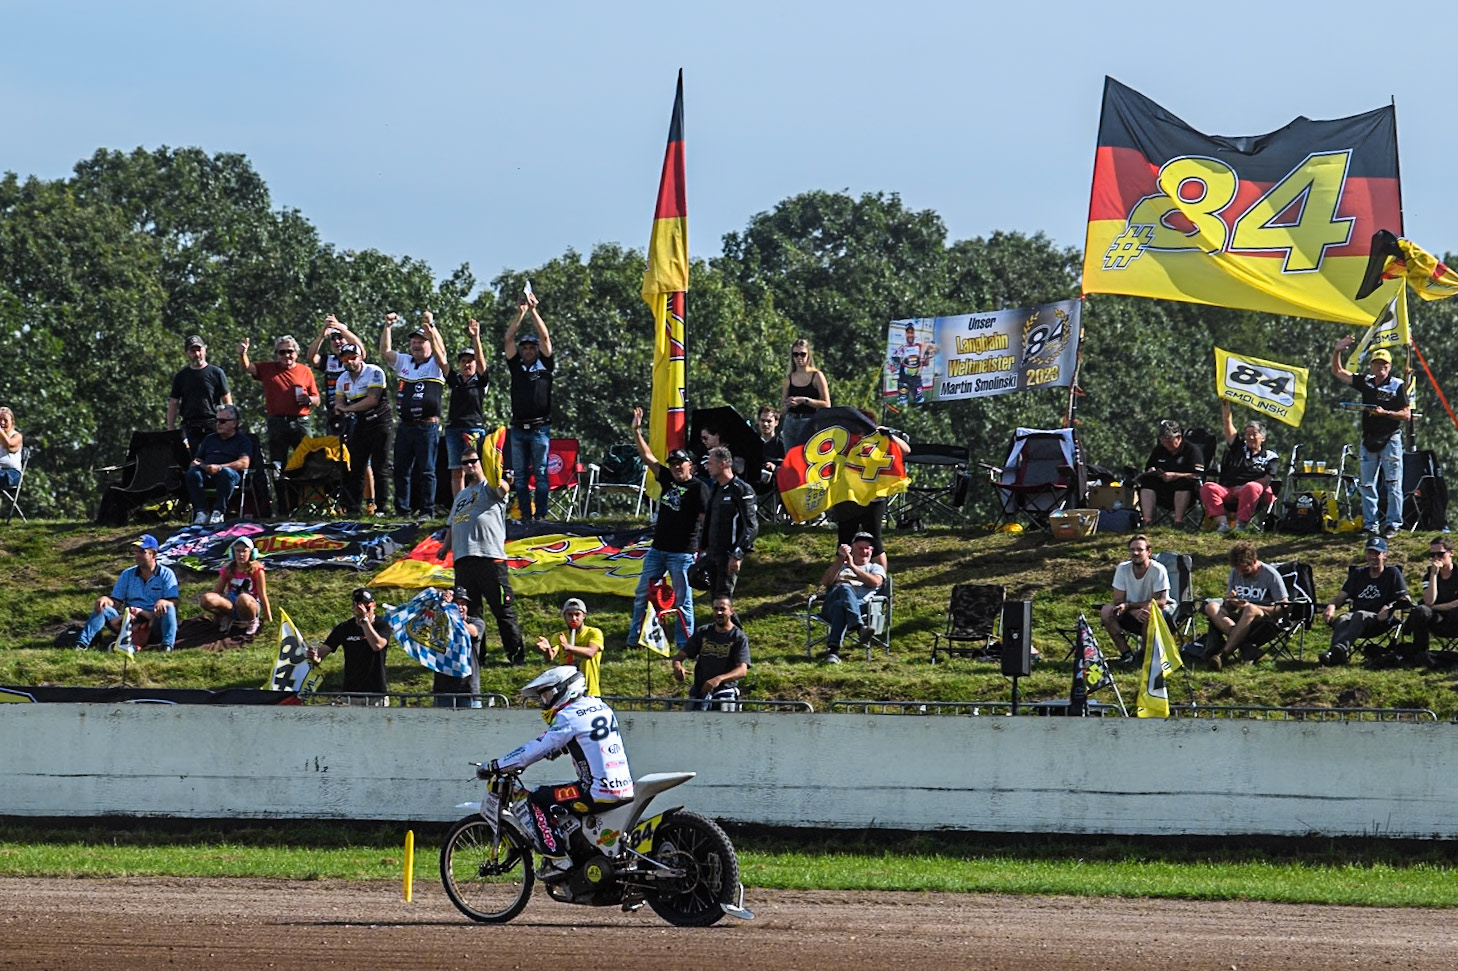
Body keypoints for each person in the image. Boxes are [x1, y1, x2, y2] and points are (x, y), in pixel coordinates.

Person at [482, 665, 633, 867]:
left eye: (548, 694)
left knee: (537, 798)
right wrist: (558, 750)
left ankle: (557, 860)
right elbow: (588, 741)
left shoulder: (569, 716)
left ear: (566, 689)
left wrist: (497, 765)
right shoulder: (601, 706)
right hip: (624, 786)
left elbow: (532, 750)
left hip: (595, 790)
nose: (546, 702)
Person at [627, 407, 709, 651]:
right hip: (658, 549)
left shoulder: (698, 488)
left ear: (690, 465)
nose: (675, 467)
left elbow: (705, 519)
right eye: (672, 463)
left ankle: (685, 644)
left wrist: (703, 552)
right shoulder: (668, 479)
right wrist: (636, 431)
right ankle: (636, 640)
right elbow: (648, 457)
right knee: (643, 594)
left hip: (682, 552)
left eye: (680, 463)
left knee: (683, 600)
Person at [438, 446, 527, 665]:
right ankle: (478, 658)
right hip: (463, 560)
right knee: (471, 612)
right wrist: (444, 547)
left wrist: (501, 476)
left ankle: (515, 656)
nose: (469, 465)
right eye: (465, 462)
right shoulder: (461, 495)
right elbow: (451, 524)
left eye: (473, 461)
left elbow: (503, 489)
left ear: (481, 461)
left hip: (489, 558)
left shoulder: (490, 486)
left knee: (502, 610)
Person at [1331, 338, 1411, 538]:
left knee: (1393, 482)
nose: (1380, 367)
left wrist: (1385, 413)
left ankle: (1393, 523)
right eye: (1376, 363)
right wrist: (1337, 352)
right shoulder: (1366, 381)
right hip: (1368, 438)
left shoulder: (1397, 385)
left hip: (1390, 438)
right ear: (1371, 365)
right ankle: (1370, 524)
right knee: (1367, 484)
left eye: (1383, 364)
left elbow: (1407, 414)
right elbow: (1339, 372)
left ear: (1389, 366)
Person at [381, 310, 448, 518]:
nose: (417, 345)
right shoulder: (405, 361)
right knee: (401, 470)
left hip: (427, 426)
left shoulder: (435, 364)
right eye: (414, 342)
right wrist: (388, 327)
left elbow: (442, 352)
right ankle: (402, 510)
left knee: (427, 470)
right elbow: (385, 352)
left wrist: (432, 327)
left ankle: (427, 510)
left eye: (422, 341)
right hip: (405, 425)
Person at [74, 534, 179, 652]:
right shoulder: (127, 574)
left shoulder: (166, 574)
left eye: (142, 552)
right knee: (103, 608)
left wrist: (164, 602)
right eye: (136, 552)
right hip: (129, 620)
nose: (137, 555)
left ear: (153, 554)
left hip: (154, 622)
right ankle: (81, 644)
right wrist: (105, 600)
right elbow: (116, 602)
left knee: (168, 607)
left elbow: (174, 601)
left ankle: (167, 646)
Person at [1320, 534, 1410, 666]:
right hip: (1355, 621)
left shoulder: (1392, 573)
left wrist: (1390, 607)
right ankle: (1336, 654)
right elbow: (1341, 597)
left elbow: (1406, 599)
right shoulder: (1358, 573)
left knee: (1359, 615)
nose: (1373, 557)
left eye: (1377, 553)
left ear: (1385, 555)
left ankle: (1338, 651)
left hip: (1380, 620)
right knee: (1343, 618)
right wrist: (1332, 605)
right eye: (1370, 553)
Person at [503, 290, 555, 521]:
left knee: (541, 474)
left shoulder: (545, 365)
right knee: (521, 476)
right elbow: (508, 339)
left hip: (539, 428)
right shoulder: (516, 366)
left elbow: (545, 338)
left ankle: (541, 516)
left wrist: (534, 311)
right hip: (518, 428)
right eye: (525, 348)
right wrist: (520, 314)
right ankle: (525, 515)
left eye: (531, 348)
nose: (527, 351)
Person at [1198, 541, 1288, 670]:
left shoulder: (1271, 575)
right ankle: (1246, 647)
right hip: (1239, 617)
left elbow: (1283, 608)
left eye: (1245, 570)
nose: (1241, 574)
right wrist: (1231, 600)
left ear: (1254, 560)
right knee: (1211, 606)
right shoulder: (1235, 573)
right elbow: (1229, 607)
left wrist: (1251, 605)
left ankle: (1224, 654)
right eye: (1238, 570)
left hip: (1264, 620)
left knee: (1250, 609)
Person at [239, 334, 320, 466]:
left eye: (290, 351)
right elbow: (248, 367)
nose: (286, 355)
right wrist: (243, 354)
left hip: (300, 422)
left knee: (308, 460)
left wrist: (308, 399)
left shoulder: (305, 371)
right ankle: (281, 487)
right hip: (277, 422)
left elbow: (317, 400)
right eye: (282, 352)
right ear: (277, 354)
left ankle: (306, 487)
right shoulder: (268, 368)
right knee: (278, 463)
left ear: (296, 353)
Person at [1200, 401, 1279, 534]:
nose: (1250, 437)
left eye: (1254, 434)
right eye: (1247, 434)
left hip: (1253, 493)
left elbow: (1267, 479)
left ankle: (1240, 526)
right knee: (1208, 487)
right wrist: (1225, 405)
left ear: (1263, 438)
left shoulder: (1270, 456)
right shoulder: (1238, 447)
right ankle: (1223, 525)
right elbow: (1227, 425)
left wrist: (1244, 487)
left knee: (1252, 487)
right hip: (1229, 490)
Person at [333, 342, 393, 517]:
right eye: (345, 358)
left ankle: (382, 507)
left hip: (380, 422)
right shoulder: (342, 379)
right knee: (356, 466)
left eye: (353, 357)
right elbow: (339, 402)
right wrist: (339, 410)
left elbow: (372, 399)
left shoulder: (374, 372)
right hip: (360, 423)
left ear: (361, 357)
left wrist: (347, 409)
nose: (349, 362)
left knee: (379, 465)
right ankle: (353, 508)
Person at [306, 587, 391, 704]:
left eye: (366, 606)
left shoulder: (382, 625)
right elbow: (322, 653)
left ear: (374, 605)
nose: (363, 609)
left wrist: (364, 621)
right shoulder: (344, 628)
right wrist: (314, 656)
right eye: (358, 605)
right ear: (353, 606)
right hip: (351, 692)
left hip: (375, 692)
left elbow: (377, 645)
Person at [1099, 534, 1171, 664]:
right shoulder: (1122, 568)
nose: (1135, 553)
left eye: (1139, 549)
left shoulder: (1158, 570)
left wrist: (1131, 607)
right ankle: (1126, 654)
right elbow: (1118, 600)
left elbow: (1161, 601)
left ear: (1149, 552)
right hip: (1130, 612)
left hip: (1156, 614)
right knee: (1106, 611)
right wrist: (1131, 610)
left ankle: (1143, 655)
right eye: (1132, 550)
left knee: (1150, 611)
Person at [817, 532, 887, 665]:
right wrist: (840, 559)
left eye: (868, 548)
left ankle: (833, 652)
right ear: (852, 549)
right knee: (844, 589)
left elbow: (875, 582)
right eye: (860, 548)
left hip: (861, 607)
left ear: (872, 551)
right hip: (829, 608)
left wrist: (853, 567)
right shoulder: (840, 566)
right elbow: (825, 581)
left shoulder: (875, 568)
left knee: (841, 605)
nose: (864, 552)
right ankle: (859, 627)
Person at [700, 445, 758, 600]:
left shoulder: (741, 490)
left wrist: (738, 554)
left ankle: (732, 625)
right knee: (715, 601)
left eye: (710, 463)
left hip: (728, 556)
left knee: (723, 600)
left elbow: (751, 527)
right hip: (712, 554)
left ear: (723, 464)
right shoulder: (716, 489)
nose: (707, 467)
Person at [673, 595, 750, 710]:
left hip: (725, 692)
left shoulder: (738, 637)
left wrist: (718, 679)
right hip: (700, 692)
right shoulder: (703, 632)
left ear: (731, 611)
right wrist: (677, 667)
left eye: (723, 609)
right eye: (715, 609)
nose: (719, 612)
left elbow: (742, 671)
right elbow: (680, 656)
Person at [183, 404, 252, 524]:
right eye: (217, 420)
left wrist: (219, 468)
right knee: (192, 474)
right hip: (207, 474)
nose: (218, 424)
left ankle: (218, 512)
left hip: (229, 477)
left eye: (223, 421)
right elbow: (199, 459)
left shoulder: (243, 440)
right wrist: (196, 463)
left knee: (226, 473)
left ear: (234, 423)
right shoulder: (209, 439)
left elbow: (244, 463)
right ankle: (201, 512)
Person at [443, 318, 489, 497]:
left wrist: (475, 337)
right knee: (457, 470)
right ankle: (459, 508)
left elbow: (482, 363)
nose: (467, 364)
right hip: (453, 429)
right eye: (463, 361)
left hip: (474, 428)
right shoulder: (454, 380)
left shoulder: (480, 382)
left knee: (476, 468)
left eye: (470, 361)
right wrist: (432, 334)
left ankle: (481, 502)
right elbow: (441, 360)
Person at [166, 334, 232, 454]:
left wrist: (230, 424)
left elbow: (227, 400)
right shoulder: (181, 376)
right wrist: (171, 430)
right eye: (192, 351)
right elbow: (174, 403)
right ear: (187, 353)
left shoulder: (216, 373)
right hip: (189, 427)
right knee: (188, 463)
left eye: (199, 350)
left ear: (205, 349)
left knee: (214, 461)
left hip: (213, 425)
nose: (197, 354)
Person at [1399, 536, 1458, 666]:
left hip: (1454, 620)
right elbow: (1429, 601)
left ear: (1451, 553)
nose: (1436, 558)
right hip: (1437, 620)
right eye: (1432, 555)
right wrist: (1434, 575)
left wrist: (1435, 607)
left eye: (1440, 554)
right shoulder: (1429, 575)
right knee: (1421, 611)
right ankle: (1421, 654)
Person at [199, 535, 270, 638]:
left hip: (250, 604)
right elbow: (217, 592)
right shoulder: (227, 569)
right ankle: (226, 618)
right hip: (232, 603)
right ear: (233, 552)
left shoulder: (257, 570)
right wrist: (217, 616)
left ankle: (252, 621)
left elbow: (262, 594)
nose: (241, 554)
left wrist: (268, 618)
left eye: (244, 551)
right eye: (238, 551)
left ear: (251, 553)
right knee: (207, 598)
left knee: (243, 598)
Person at [1136, 419, 1205, 525]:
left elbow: (1198, 474)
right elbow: (1149, 468)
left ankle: (1178, 521)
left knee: (1183, 483)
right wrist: (1152, 471)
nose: (1165, 443)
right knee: (1147, 483)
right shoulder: (1159, 450)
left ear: (1178, 437)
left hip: (1186, 491)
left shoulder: (1192, 450)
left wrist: (1175, 475)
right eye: (1162, 440)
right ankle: (1146, 521)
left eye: (1168, 440)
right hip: (1162, 490)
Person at [534, 597, 603, 697]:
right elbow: (550, 657)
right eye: (570, 615)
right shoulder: (559, 636)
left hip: (589, 693)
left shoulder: (594, 633)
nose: (574, 618)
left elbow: (591, 652)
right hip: (567, 694)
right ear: (564, 616)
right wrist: (547, 650)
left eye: (577, 614)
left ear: (584, 616)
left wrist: (568, 647)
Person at [433, 586, 486, 708]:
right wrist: (442, 605)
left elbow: (472, 632)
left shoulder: (477, 622)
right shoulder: (440, 624)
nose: (460, 607)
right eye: (456, 604)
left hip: (468, 689)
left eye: (463, 604)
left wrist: (452, 613)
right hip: (443, 689)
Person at [779, 338, 831, 448]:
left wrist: (803, 400)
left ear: (808, 355)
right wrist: (788, 404)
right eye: (796, 354)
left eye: (802, 354)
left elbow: (827, 404)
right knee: (790, 461)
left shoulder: (816, 376)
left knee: (806, 459)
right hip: (790, 422)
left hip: (809, 421)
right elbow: (782, 409)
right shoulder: (789, 378)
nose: (799, 358)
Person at [890, 322, 931, 406]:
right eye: (908, 333)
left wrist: (925, 359)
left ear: (914, 334)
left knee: (920, 401)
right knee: (902, 401)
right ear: (905, 334)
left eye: (911, 333)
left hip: (916, 380)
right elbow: (893, 365)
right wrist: (894, 366)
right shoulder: (902, 348)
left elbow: (926, 363)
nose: (910, 335)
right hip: (904, 380)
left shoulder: (919, 347)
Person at [0, 406, 23, 492]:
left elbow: (9, 444)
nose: (2, 423)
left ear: (12, 422)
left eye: (5, 420)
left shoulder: (17, 436)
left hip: (12, 474)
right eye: (0, 420)